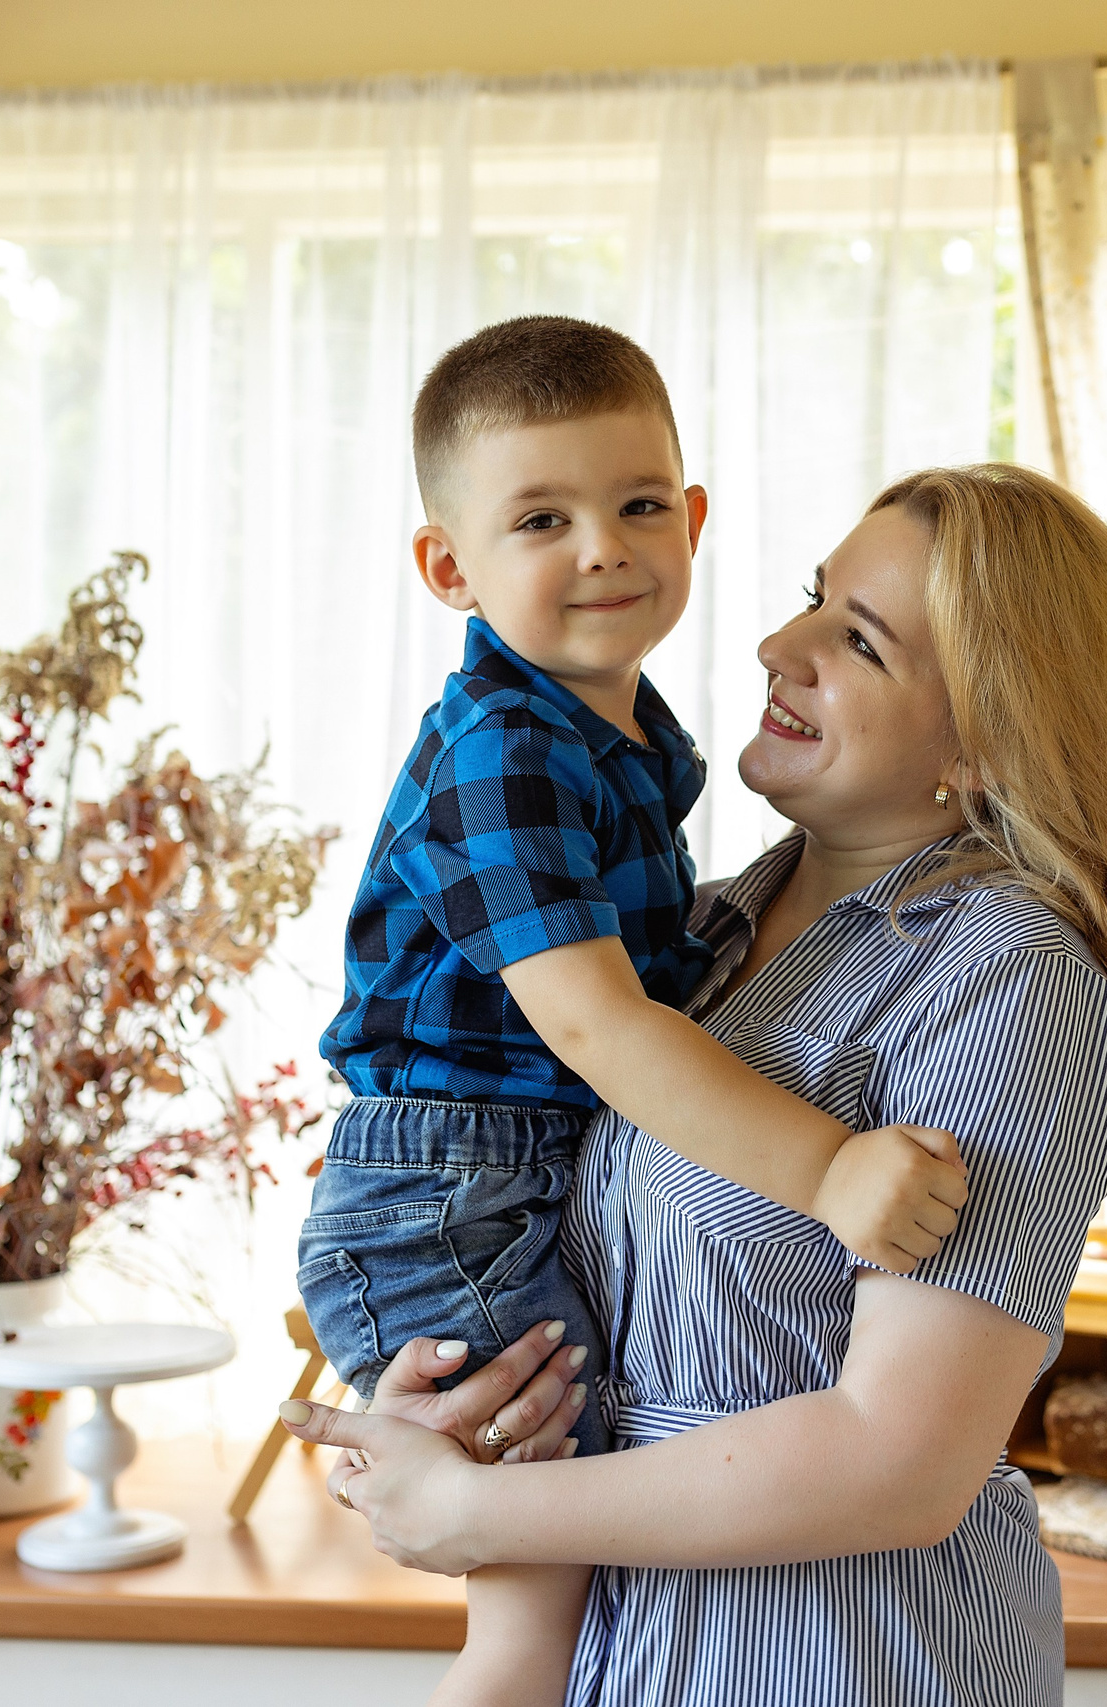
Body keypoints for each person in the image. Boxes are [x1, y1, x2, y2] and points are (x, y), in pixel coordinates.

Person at [284, 463, 1107, 1705]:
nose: (781, 645)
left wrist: (482, 1513)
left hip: (839, 1664)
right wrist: (456, 1420)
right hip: (625, 1660)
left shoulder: (1014, 983)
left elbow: (901, 1461)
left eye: (860, 641)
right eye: (810, 600)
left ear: (991, 740)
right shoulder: (697, 931)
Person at [302, 316, 970, 1707]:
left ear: (694, 516)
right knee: (527, 1603)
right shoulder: (503, 750)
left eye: (638, 504)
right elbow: (602, 1026)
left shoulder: (620, 728)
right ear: (450, 566)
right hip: (454, 1183)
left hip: (510, 1161)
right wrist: (832, 1164)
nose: (602, 545)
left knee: (556, 1524)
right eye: (540, 517)